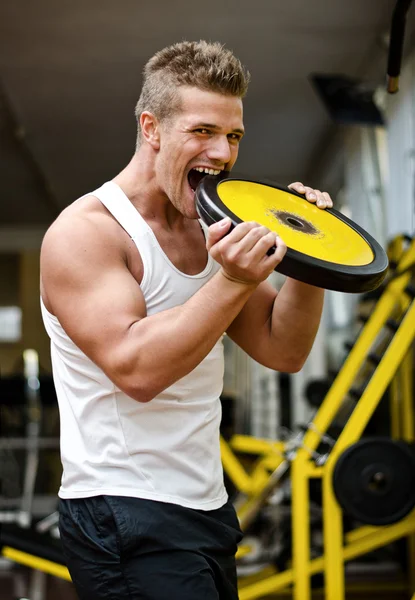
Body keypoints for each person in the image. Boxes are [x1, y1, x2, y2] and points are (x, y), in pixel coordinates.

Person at [40, 40, 333, 600]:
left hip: (205, 506)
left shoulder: (211, 227)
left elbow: (283, 349)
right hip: (122, 510)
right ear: (151, 128)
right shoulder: (89, 233)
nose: (222, 153)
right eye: (202, 132)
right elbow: (137, 371)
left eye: (234, 136)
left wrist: (310, 259)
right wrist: (234, 280)